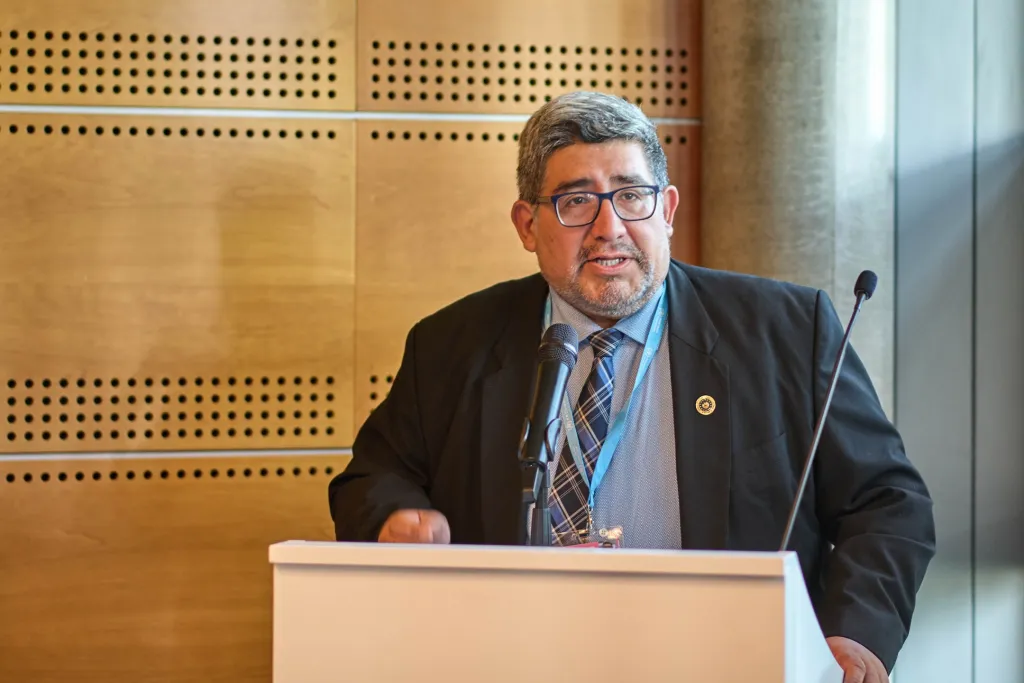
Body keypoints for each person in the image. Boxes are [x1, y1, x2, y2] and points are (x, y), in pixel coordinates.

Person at [328, 91, 935, 681]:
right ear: (527, 225)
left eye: (631, 196)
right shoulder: (451, 344)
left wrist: (856, 631)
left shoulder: (787, 331)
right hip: (518, 662)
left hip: (725, 665)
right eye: (575, 202)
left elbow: (885, 499)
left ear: (666, 210)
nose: (609, 227)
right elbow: (373, 478)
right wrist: (394, 516)